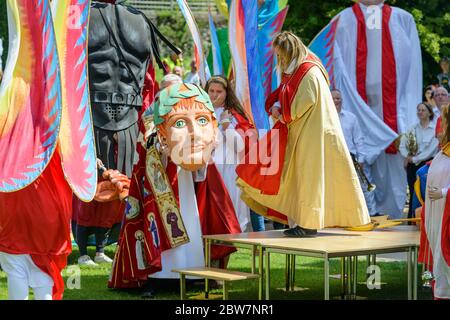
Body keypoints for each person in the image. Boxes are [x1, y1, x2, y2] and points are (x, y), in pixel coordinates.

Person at [108, 83, 241, 294]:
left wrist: (200, 152)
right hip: (160, 186)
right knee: (161, 226)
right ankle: (160, 275)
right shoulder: (152, 118)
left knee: (189, 222)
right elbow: (146, 148)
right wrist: (163, 148)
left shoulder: (192, 114)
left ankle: (191, 272)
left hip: (186, 184)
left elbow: (202, 159)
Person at [236, 32, 370, 237]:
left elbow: (304, 101)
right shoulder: (299, 68)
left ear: (290, 51)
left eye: (281, 55)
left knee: (310, 177)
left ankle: (308, 224)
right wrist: (277, 104)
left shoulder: (308, 70)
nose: (280, 60)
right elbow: (287, 92)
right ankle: (301, 220)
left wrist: (282, 112)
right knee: (300, 177)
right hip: (305, 131)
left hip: (313, 133)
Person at [332, 0, 423, 219]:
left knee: (393, 168)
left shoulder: (402, 19)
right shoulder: (343, 20)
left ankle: (393, 216)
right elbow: (335, 64)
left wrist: (410, 115)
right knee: (359, 167)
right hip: (356, 108)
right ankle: (362, 214)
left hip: (393, 112)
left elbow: (414, 71)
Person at [205, 75, 253, 232]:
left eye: (219, 91)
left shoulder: (234, 114)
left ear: (227, 93)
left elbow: (241, 146)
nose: (214, 95)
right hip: (205, 168)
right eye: (211, 90)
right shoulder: (201, 112)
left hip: (228, 168)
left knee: (229, 212)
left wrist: (226, 125)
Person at [419, 103, 450, 299]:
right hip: (438, 222)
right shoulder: (442, 154)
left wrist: (445, 192)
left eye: (444, 122)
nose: (440, 128)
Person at [332, 89, 378, 216]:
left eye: (338, 98)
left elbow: (359, 140)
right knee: (337, 189)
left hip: (351, 158)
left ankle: (372, 214)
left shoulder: (351, 118)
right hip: (332, 158)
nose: (336, 101)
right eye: (333, 98)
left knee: (363, 187)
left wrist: (361, 159)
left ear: (342, 100)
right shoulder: (324, 118)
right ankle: (341, 215)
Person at [399, 103, 439, 219]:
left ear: (430, 113)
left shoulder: (434, 128)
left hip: (426, 165)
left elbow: (431, 150)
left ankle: (426, 219)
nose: (420, 112)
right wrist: (407, 156)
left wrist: (413, 159)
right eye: (418, 110)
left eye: (423, 110)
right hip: (412, 165)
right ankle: (412, 219)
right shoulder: (412, 127)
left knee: (425, 192)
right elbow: (402, 144)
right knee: (412, 192)